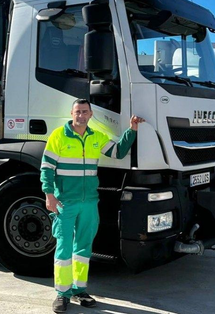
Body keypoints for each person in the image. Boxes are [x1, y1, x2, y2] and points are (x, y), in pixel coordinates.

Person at [41, 99, 145, 313]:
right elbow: (47, 168)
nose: (81, 115)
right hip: (65, 202)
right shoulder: (58, 136)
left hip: (89, 203)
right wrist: (49, 196)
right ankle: (62, 294)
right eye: (78, 112)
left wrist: (132, 130)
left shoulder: (96, 137)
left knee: (83, 248)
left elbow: (118, 151)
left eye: (85, 112)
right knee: (64, 247)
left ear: (90, 115)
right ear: (72, 113)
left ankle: (79, 290)